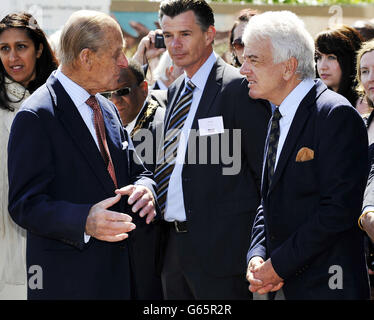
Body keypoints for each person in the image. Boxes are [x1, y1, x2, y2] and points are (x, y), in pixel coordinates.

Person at [7, 10, 157, 300]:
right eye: (116, 54)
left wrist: (145, 190)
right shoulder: (37, 115)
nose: (124, 62)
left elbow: (140, 171)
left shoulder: (107, 107)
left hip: (121, 276)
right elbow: (24, 204)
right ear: (86, 57)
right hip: (71, 281)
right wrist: (84, 220)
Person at [242, 11, 370, 300]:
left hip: (328, 288)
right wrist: (257, 254)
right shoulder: (277, 116)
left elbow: (338, 210)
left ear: (288, 67)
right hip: (282, 285)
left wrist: (280, 266)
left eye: (254, 60)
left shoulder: (335, 115)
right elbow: (268, 199)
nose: (243, 69)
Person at [154, 0, 271, 300]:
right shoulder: (175, 91)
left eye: (185, 34)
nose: (175, 44)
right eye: (168, 36)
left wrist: (261, 248)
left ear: (209, 35)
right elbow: (172, 165)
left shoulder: (238, 89)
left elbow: (265, 176)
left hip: (224, 256)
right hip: (173, 251)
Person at [0, 12, 58, 300]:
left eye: (20, 46)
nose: (13, 57)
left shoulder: (58, 100)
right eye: (4, 48)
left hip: (51, 230)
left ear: (38, 48)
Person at [315, 25, 363, 108]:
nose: (322, 67)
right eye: (318, 57)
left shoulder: (364, 105)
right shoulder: (314, 100)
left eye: (331, 57)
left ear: (350, 59)